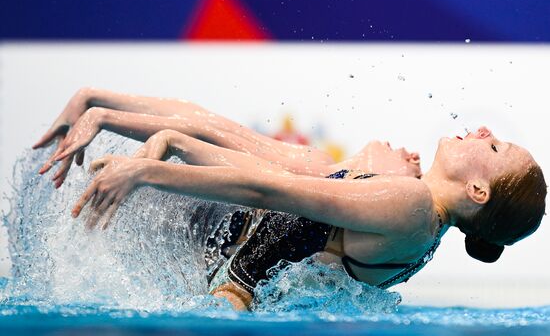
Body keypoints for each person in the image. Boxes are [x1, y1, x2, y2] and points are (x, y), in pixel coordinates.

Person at [33, 87, 547, 310]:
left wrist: (147, 172)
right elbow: (230, 137)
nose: (482, 131)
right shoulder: (399, 205)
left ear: (478, 192)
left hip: (219, 283)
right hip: (212, 269)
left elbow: (268, 189)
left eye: (495, 145)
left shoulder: (413, 208)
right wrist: (99, 107)